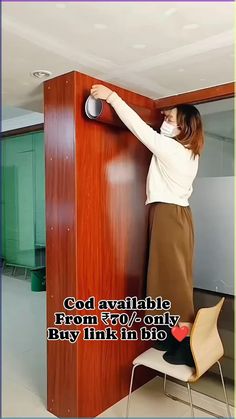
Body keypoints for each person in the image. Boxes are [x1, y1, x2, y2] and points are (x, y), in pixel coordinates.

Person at [90, 84, 204, 367]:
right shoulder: (189, 152)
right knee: (169, 281)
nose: (164, 121)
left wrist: (112, 97)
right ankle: (172, 335)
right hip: (177, 216)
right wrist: (169, 113)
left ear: (183, 128)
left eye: (170, 120)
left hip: (168, 216)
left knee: (172, 286)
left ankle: (186, 344)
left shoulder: (171, 150)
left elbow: (138, 128)